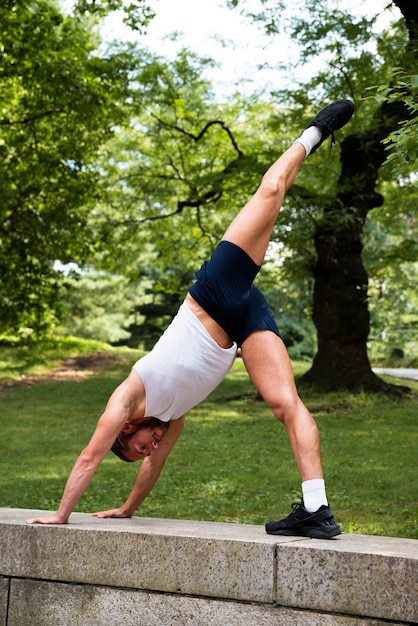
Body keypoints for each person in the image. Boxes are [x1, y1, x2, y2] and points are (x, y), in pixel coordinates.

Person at [26, 99, 354, 539]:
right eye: (146, 450)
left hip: (214, 292)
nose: (150, 448)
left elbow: (89, 456)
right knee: (285, 405)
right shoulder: (173, 418)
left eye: (141, 446)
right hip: (243, 323)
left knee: (271, 194)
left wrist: (62, 515)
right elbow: (152, 468)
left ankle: (315, 132)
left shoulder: (127, 398)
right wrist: (126, 508)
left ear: (126, 429)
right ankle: (317, 508)